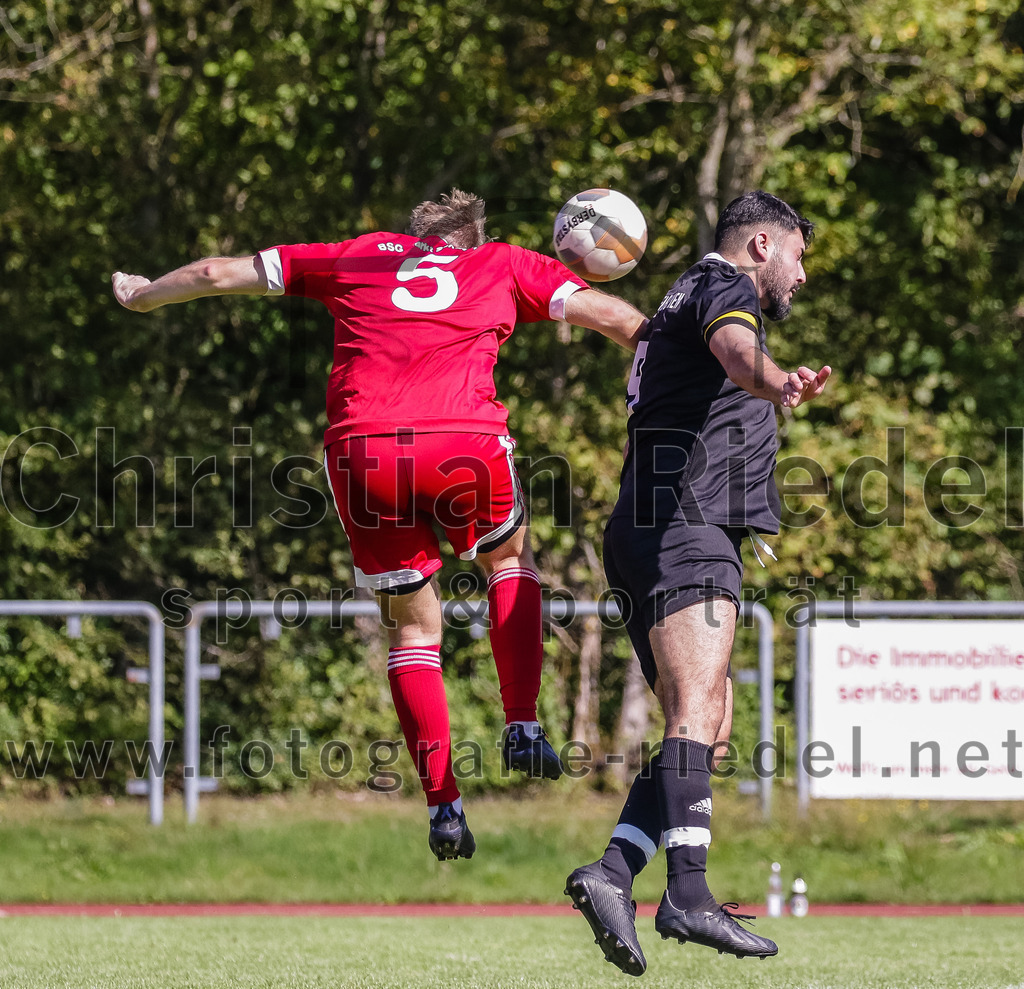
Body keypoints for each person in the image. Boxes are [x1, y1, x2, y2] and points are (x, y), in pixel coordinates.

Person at [112, 190, 648, 862]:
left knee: (414, 630)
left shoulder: (357, 256)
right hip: (464, 445)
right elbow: (617, 319)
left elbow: (217, 273)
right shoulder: (503, 262)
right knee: (509, 563)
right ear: (473, 239)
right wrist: (696, 358)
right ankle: (521, 723)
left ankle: (443, 806)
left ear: (414, 234)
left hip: (364, 452)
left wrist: (143, 296)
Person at [564, 190, 831, 975]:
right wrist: (777, 381)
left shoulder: (678, 297)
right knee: (696, 708)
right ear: (761, 245)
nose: (802, 275)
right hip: (687, 522)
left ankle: (613, 872)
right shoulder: (722, 285)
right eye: (798, 255)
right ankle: (687, 891)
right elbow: (738, 352)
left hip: (654, 525)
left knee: (708, 723)